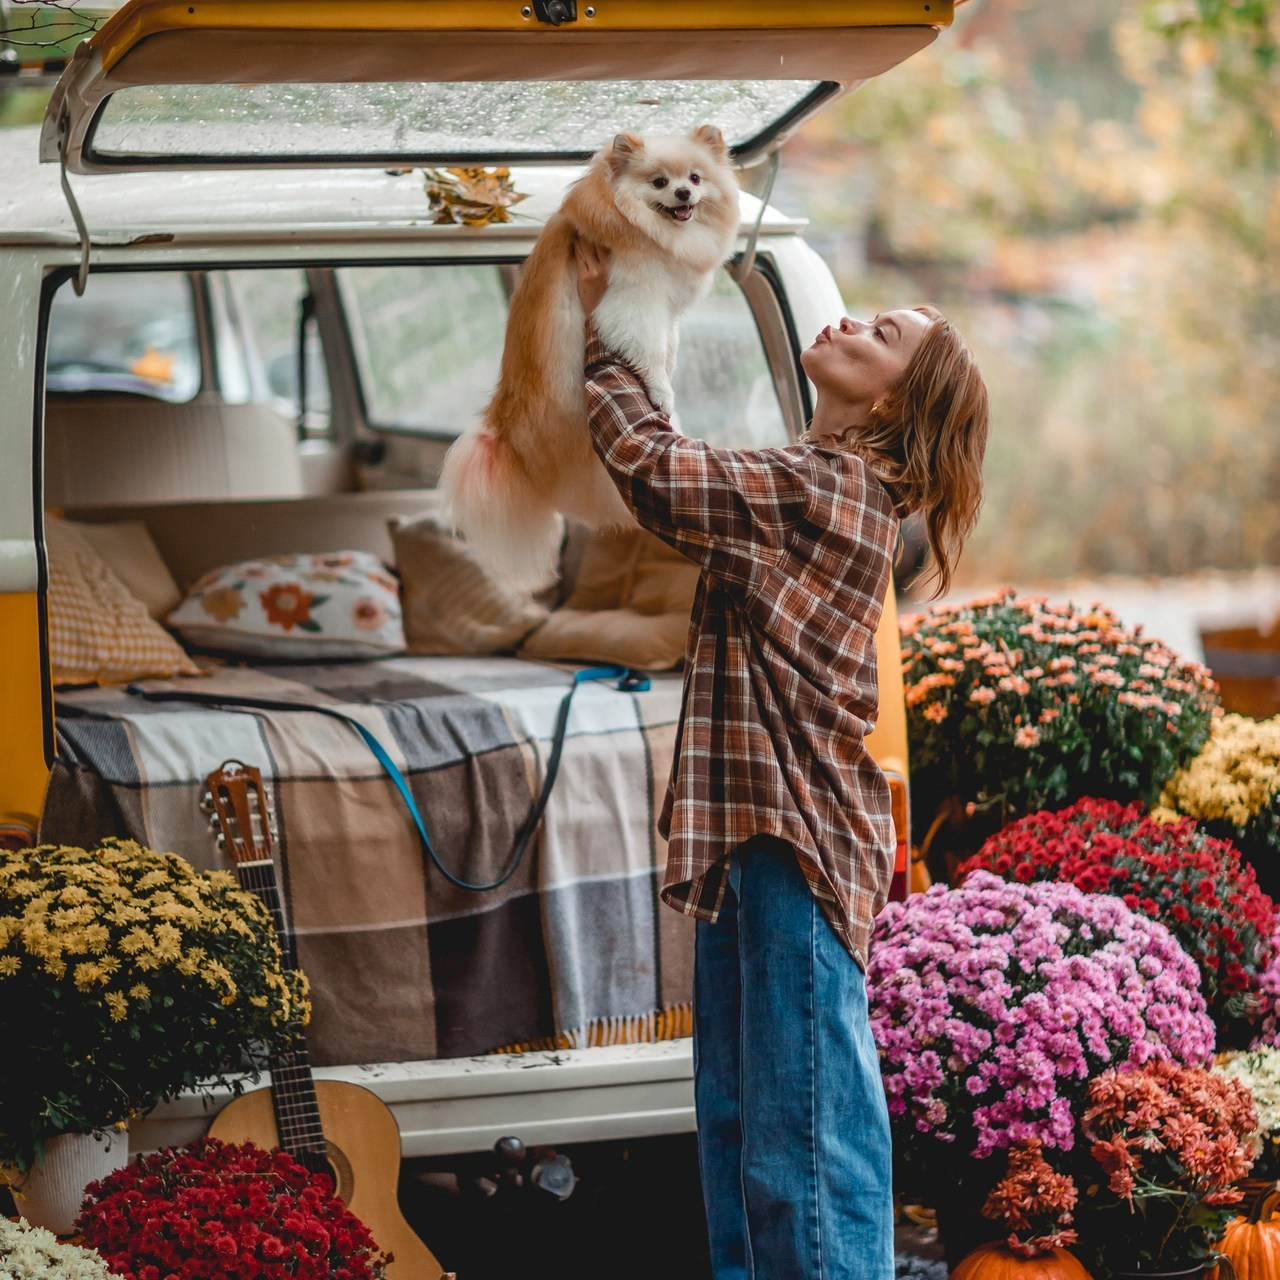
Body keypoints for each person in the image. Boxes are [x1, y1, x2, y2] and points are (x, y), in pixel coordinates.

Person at [574, 240, 988, 1280]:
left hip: (797, 843)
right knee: (741, 1121)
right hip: (763, 836)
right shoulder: (817, 483)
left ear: (898, 406)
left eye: (879, 333)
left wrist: (602, 323)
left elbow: (657, 470)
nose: (850, 321)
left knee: (802, 1138)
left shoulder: (832, 492)